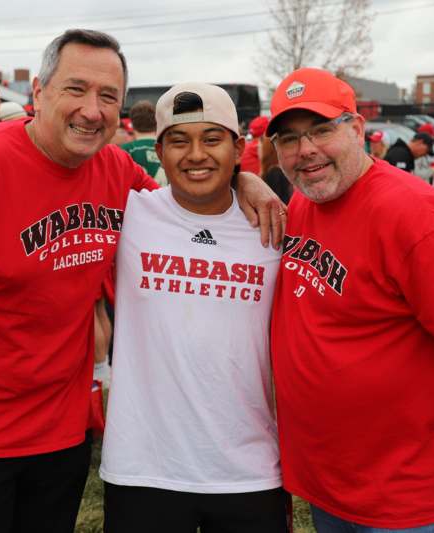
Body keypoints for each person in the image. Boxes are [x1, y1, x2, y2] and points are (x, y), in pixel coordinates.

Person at [0, 29, 283, 533]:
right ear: (39, 94)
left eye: (108, 96)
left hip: (61, 440)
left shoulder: (114, 170)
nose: (92, 109)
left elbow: (188, 197)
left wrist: (245, 178)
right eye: (76, 89)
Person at [266, 67, 434, 532]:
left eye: (321, 130)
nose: (305, 150)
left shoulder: (415, 214)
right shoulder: (307, 197)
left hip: (404, 493)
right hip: (330, 480)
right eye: (289, 138)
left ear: (358, 130)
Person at [100, 83, 286, 533]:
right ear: (159, 151)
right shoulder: (129, 214)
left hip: (250, 469)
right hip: (142, 467)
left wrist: (250, 182)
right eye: (180, 141)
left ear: (239, 147)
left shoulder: (275, 226)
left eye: (213, 139)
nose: (196, 155)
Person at [120, 100, 164, 184]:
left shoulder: (127, 149)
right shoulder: (165, 148)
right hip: (166, 196)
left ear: (132, 123)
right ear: (156, 122)